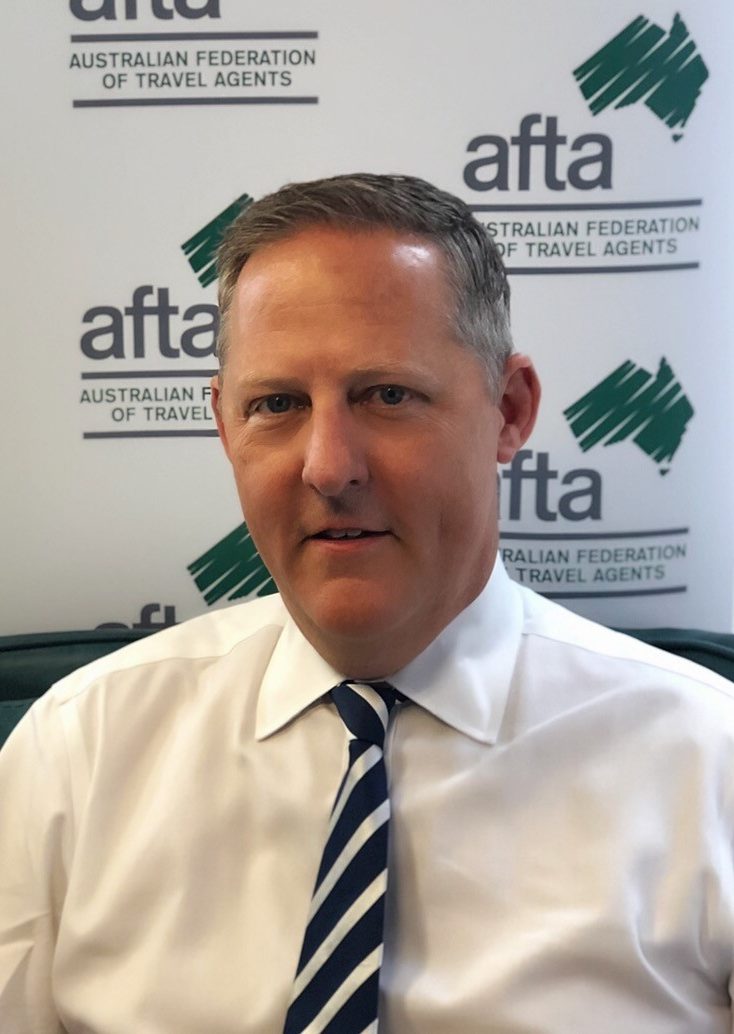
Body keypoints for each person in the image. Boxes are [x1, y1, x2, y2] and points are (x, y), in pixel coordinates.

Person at [1, 173, 734, 1034]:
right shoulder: (80, 750)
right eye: (277, 405)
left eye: (387, 396)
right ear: (226, 427)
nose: (328, 467)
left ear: (509, 410)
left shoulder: (706, 763)